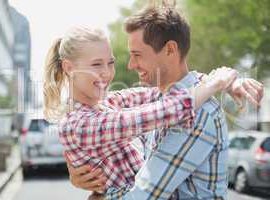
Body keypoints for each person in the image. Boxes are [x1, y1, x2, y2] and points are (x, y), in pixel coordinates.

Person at [65, 3, 264, 200]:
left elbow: (142, 196)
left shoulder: (197, 112)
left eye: (137, 55)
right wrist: (219, 82)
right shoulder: (159, 100)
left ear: (169, 50)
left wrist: (221, 82)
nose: (131, 64)